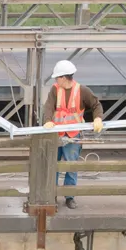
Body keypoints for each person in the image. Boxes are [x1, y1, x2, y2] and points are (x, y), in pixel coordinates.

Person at [42, 60, 104, 210]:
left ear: (64, 77)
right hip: (56, 134)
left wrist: (98, 118)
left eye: (57, 77)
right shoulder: (55, 90)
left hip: (73, 135)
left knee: (71, 166)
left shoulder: (82, 91)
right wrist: (48, 120)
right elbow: (49, 106)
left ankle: (69, 197)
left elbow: (96, 105)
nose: (56, 80)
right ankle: (52, 195)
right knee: (53, 166)